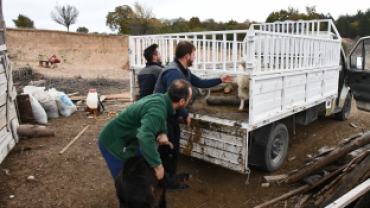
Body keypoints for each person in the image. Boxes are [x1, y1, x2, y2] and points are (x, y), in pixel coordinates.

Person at [153, 41, 233, 189]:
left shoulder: (183, 71)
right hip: (162, 115)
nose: (195, 57)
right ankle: (167, 183)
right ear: (187, 55)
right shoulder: (174, 72)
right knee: (170, 150)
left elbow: (200, 82)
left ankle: (166, 179)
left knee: (172, 148)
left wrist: (220, 80)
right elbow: (173, 98)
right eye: (194, 55)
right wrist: (185, 113)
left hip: (170, 114)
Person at [98, 79, 193, 181]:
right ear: (182, 101)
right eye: (189, 100)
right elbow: (144, 136)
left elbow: (158, 119)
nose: (188, 102)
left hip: (128, 140)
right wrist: (157, 165)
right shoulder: (157, 110)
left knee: (142, 167)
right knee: (126, 183)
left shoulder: (161, 100)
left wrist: (162, 132)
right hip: (113, 143)